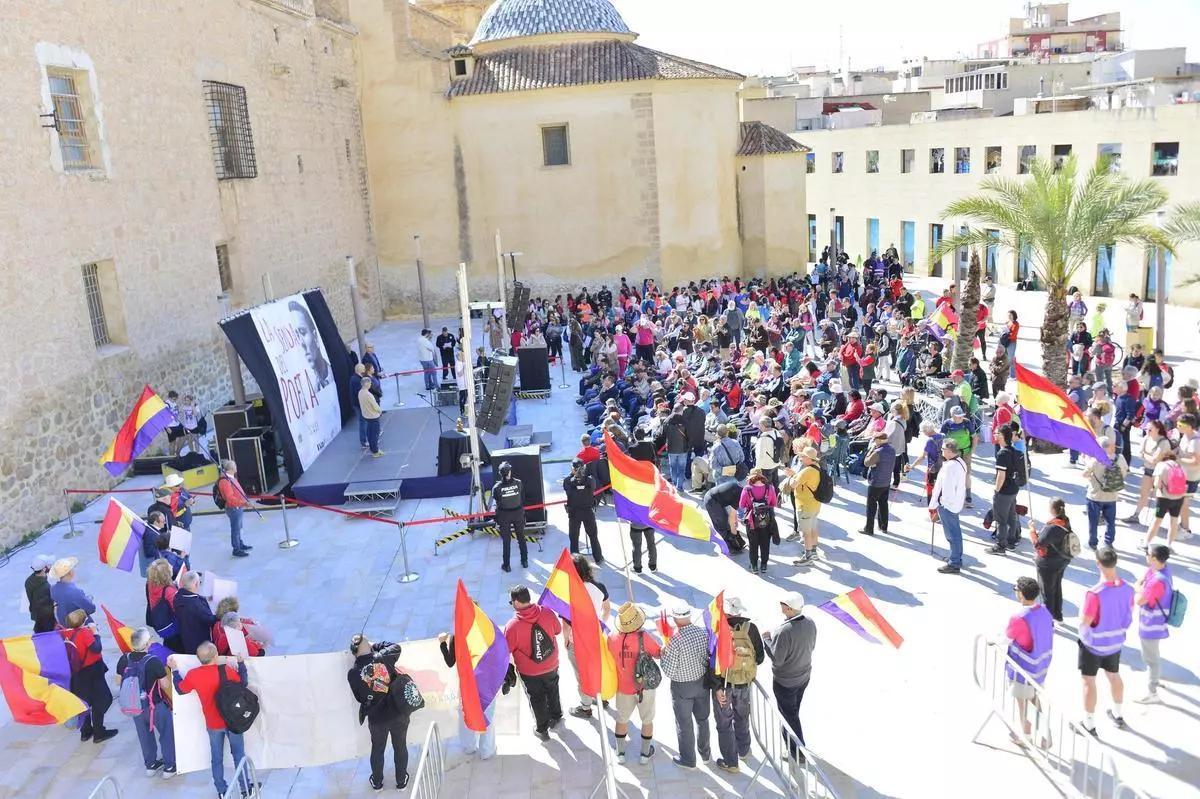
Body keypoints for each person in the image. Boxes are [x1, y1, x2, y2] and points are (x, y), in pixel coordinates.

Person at [170, 644, 252, 797]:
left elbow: (180, 690)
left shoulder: (193, 675)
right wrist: (241, 664)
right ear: (215, 656)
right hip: (232, 721)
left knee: (216, 758)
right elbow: (243, 683)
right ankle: (246, 788)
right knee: (239, 755)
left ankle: (222, 790)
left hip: (213, 724)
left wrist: (174, 670)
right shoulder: (226, 670)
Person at [1078, 546, 1134, 736]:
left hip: (1093, 646)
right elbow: (1128, 614)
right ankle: (1117, 714)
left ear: (1098, 564)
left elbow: (1085, 622)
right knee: (1114, 675)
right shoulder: (1128, 589)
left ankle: (1089, 724)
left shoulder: (1094, 593)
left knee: (1089, 682)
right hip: (1115, 643)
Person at [347, 634, 411, 790]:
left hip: (376, 719)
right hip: (397, 712)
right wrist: (375, 646)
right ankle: (401, 781)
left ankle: (377, 783)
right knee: (400, 746)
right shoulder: (383, 657)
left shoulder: (353, 674)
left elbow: (358, 697)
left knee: (377, 749)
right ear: (368, 645)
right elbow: (396, 647)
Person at [503, 585, 563, 741]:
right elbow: (557, 630)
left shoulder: (512, 626)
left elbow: (506, 651)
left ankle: (542, 729)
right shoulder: (547, 612)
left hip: (529, 671)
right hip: (551, 663)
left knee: (536, 698)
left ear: (516, 603)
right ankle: (556, 716)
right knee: (553, 688)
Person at [712, 596, 764, 774]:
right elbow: (760, 657)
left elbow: (712, 661)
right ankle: (743, 750)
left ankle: (730, 761)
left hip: (724, 685)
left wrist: (717, 686)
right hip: (743, 684)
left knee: (724, 724)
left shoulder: (718, 629)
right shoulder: (751, 628)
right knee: (742, 717)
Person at [117, 626, 176, 778]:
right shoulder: (153, 661)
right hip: (155, 705)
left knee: (144, 735)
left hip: (135, 705)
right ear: (146, 644)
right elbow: (165, 685)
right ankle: (169, 767)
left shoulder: (124, 658)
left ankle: (150, 765)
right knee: (166, 733)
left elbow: (119, 681)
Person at [660, 603, 712, 770]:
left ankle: (689, 760)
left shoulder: (675, 640)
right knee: (702, 719)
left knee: (684, 723)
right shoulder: (702, 633)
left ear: (675, 619)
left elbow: (668, 670)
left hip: (682, 688)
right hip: (702, 683)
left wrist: (663, 655)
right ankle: (705, 754)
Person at [608, 603, 661, 766]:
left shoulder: (612, 638)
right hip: (644, 688)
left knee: (622, 720)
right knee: (647, 720)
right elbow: (658, 653)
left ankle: (620, 753)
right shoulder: (644, 638)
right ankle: (645, 754)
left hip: (623, 689)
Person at [763, 592, 816, 752]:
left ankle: (797, 750)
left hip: (785, 682)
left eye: (783, 604)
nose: (781, 606)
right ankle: (794, 745)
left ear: (789, 608)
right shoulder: (810, 623)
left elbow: (777, 659)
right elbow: (811, 647)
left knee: (789, 716)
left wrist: (767, 639)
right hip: (803, 676)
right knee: (793, 711)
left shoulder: (784, 631)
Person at [1003, 577, 1054, 745]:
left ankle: (1025, 736)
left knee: (1022, 702)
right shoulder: (1045, 611)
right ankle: (1045, 736)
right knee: (1034, 700)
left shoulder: (1019, 617)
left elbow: (1007, 637)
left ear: (1022, 595)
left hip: (1023, 669)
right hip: (1040, 667)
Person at [61, 609, 118, 743]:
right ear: (82, 621)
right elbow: (96, 648)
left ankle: (85, 731)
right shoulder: (85, 633)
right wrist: (95, 633)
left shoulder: (66, 633)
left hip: (77, 673)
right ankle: (99, 731)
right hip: (93, 670)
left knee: (84, 702)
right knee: (103, 699)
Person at [1133, 545, 1174, 705]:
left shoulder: (1157, 582)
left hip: (1151, 624)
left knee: (1150, 659)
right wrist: (1142, 585)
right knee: (1154, 654)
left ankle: (1152, 692)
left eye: (1147, 554)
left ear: (1155, 558)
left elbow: (1139, 599)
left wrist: (1137, 588)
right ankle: (1155, 678)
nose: (1146, 555)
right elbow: (1145, 577)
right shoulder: (1163, 570)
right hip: (1156, 621)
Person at [1028, 498, 1074, 622]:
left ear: (1053, 509)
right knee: (1057, 588)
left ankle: (1048, 621)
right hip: (1062, 560)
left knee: (1046, 592)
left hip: (1049, 563)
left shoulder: (1052, 527)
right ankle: (1058, 615)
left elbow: (1038, 544)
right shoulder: (1065, 521)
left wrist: (1032, 531)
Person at [930, 440, 968, 574]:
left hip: (948, 505)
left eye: (943, 449)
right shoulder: (960, 462)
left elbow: (947, 488)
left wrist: (940, 503)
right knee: (956, 532)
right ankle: (956, 557)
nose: (941, 451)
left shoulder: (950, 466)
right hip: (955, 503)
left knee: (952, 535)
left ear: (950, 451)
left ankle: (954, 562)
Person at [1081, 437, 1127, 549]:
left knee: (1093, 522)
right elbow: (1124, 473)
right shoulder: (1120, 458)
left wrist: (1086, 461)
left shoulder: (1095, 460)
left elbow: (1084, 474)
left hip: (1095, 496)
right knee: (1110, 522)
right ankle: (1108, 542)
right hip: (1112, 496)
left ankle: (1092, 543)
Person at [783, 446, 823, 565]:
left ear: (808, 458)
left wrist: (790, 476)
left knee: (806, 532)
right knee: (813, 528)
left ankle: (808, 556)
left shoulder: (807, 471)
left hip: (805, 505)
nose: (800, 458)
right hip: (815, 504)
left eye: (803, 456)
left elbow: (794, 484)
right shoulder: (817, 467)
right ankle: (814, 552)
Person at [987, 424, 1024, 554]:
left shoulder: (1002, 454)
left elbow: (1001, 475)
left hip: (1004, 491)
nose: (994, 435)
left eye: (997, 433)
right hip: (1014, 489)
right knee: (1012, 517)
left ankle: (1000, 545)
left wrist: (996, 491)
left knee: (1001, 519)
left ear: (1002, 437)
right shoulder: (1014, 451)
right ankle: (1011, 542)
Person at [627, 429, 660, 570]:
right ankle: (653, 565)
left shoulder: (632, 448)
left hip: (636, 523)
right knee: (651, 543)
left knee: (637, 545)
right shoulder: (651, 445)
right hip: (649, 521)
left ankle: (638, 567)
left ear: (635, 436)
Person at [1144, 450, 1187, 550]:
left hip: (1163, 498)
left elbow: (1157, 484)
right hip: (1178, 497)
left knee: (1157, 521)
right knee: (1174, 521)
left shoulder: (1161, 465)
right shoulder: (1180, 466)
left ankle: (1146, 543)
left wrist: (1155, 489)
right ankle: (1169, 545)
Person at [739, 468, 779, 574]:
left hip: (751, 521)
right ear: (762, 476)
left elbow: (741, 505)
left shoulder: (747, 489)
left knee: (753, 544)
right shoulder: (770, 488)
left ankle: (754, 566)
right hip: (766, 520)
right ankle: (764, 565)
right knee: (765, 543)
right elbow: (774, 503)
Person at [563, 458, 602, 564]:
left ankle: (575, 562)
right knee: (593, 536)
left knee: (574, 538)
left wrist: (574, 477)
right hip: (588, 512)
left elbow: (568, 490)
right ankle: (598, 557)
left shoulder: (567, 481)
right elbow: (593, 489)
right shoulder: (590, 480)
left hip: (574, 513)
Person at [493, 461, 528, 572]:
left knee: (506, 541)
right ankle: (525, 561)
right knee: (521, 538)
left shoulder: (497, 487)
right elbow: (522, 497)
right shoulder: (518, 483)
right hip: (518, 513)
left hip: (504, 515)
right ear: (509, 472)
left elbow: (497, 500)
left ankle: (507, 565)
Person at [216, 460, 254, 557]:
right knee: (236, 529)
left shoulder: (230, 478)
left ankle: (240, 544)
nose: (236, 468)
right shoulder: (225, 481)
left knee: (238, 527)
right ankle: (236, 549)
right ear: (232, 469)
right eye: (235, 467)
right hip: (233, 508)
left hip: (238, 506)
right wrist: (244, 503)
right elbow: (230, 498)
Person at [174, 571, 218, 654]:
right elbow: (210, 620)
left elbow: (193, 597)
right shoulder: (196, 605)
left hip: (186, 636)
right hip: (199, 640)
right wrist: (221, 614)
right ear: (196, 584)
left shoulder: (177, 597)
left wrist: (206, 599)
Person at [861, 431, 895, 536]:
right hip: (886, 481)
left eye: (875, 440)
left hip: (875, 482)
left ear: (879, 441)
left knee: (871, 506)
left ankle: (869, 528)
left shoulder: (878, 452)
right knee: (883, 504)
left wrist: (871, 450)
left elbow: (866, 462)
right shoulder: (892, 450)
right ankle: (883, 526)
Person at [145, 559, 182, 652]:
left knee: (168, 643)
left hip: (159, 623)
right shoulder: (169, 591)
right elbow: (178, 610)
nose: (172, 567)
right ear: (166, 575)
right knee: (177, 647)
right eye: (169, 567)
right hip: (172, 627)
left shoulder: (149, 583)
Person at [49, 557, 94, 626]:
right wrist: (89, 599)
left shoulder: (53, 589)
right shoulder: (75, 592)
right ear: (70, 572)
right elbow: (91, 609)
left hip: (63, 624)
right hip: (79, 625)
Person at [25, 554, 56, 633]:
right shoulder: (46, 587)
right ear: (44, 569)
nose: (50, 566)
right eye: (48, 565)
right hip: (46, 619)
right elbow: (48, 608)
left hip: (36, 614)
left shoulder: (28, 581)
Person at [359, 377, 384, 458]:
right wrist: (380, 411)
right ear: (366, 384)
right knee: (375, 435)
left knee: (369, 433)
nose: (370, 384)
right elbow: (375, 406)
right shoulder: (368, 395)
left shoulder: (360, 392)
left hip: (366, 416)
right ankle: (375, 451)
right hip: (373, 416)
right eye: (370, 383)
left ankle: (373, 449)